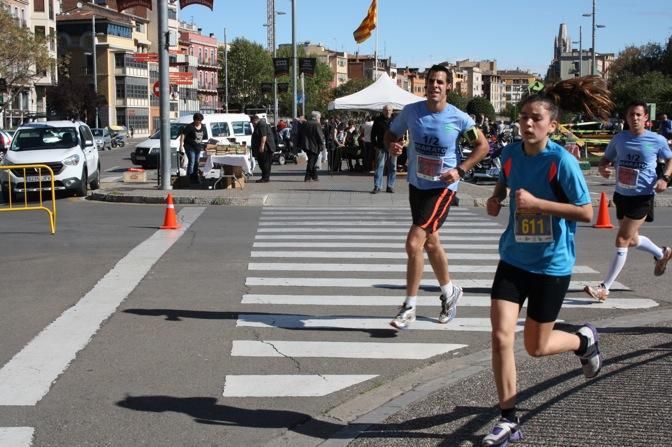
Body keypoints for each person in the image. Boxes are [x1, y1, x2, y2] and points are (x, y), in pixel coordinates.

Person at [482, 76, 614, 446]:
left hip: (551, 266)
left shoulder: (561, 162)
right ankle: (508, 419)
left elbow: (587, 213)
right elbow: (503, 187)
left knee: (536, 347)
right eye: (523, 116)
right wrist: (495, 200)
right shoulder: (509, 154)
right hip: (513, 259)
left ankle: (583, 340)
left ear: (552, 125)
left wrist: (540, 205)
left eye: (536, 118)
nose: (527, 123)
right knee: (500, 336)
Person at [384, 64, 490, 330]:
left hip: (442, 188)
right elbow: (390, 134)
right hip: (417, 185)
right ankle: (449, 291)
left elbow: (483, 145)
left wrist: (461, 169)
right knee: (431, 244)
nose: (435, 86)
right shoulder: (411, 112)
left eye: (440, 82)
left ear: (449, 87)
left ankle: (409, 307)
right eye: (431, 81)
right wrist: (392, 146)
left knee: (413, 243)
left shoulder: (458, 119)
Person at [583, 101, 672, 302]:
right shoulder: (620, 139)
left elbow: (670, 160)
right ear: (627, 118)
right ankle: (662, 253)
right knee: (631, 239)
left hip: (643, 196)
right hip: (622, 194)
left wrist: (665, 178)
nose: (635, 118)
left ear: (646, 118)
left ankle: (604, 287)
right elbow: (606, 159)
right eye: (631, 115)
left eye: (639, 115)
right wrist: (603, 168)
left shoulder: (656, 140)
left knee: (622, 239)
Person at [371, 105, 396, 194]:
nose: (387, 112)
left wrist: (399, 143)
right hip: (381, 146)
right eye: (386, 110)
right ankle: (377, 186)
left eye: (389, 110)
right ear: (383, 111)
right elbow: (373, 133)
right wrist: (374, 145)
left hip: (392, 146)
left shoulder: (395, 120)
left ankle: (390, 186)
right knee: (379, 166)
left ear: (392, 111)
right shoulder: (378, 120)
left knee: (392, 167)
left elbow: (400, 132)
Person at [178, 112, 208, 184]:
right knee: (192, 161)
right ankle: (189, 177)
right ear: (194, 120)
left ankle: (195, 176)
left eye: (200, 120)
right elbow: (183, 135)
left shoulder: (203, 127)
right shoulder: (190, 126)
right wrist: (181, 145)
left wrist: (205, 146)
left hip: (198, 147)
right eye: (197, 120)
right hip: (189, 146)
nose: (199, 122)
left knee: (196, 162)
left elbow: (204, 138)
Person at [251, 114, 276, 183]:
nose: (252, 124)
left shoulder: (261, 124)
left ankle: (265, 178)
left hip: (266, 148)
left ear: (255, 120)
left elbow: (264, 136)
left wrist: (262, 146)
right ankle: (265, 177)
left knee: (264, 163)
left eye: (253, 123)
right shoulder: (260, 124)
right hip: (264, 147)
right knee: (263, 163)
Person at [302, 111, 326, 182]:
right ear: (317, 117)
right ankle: (307, 176)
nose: (320, 119)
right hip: (314, 146)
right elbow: (320, 136)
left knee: (312, 160)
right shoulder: (316, 124)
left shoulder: (306, 123)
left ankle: (314, 176)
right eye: (319, 118)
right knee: (312, 161)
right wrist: (322, 144)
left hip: (306, 145)